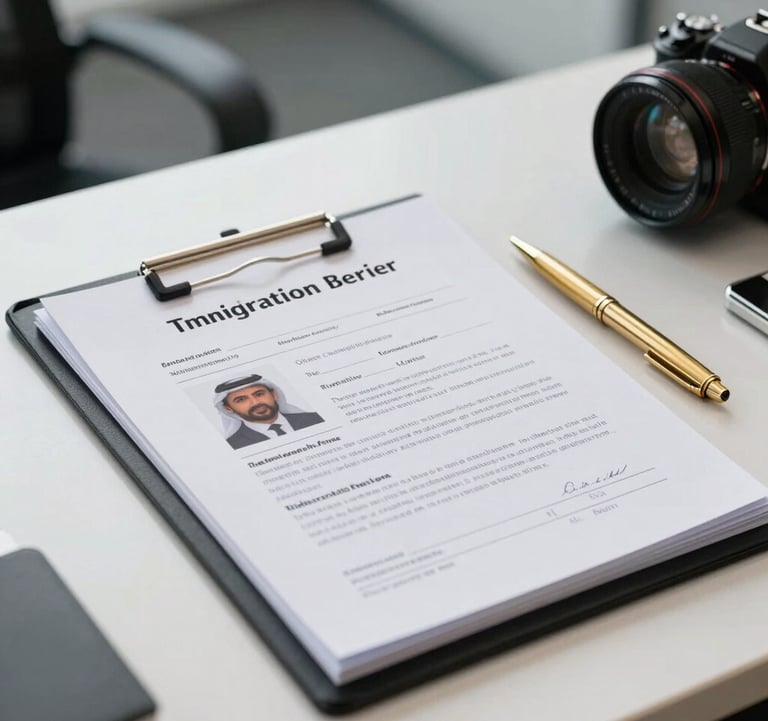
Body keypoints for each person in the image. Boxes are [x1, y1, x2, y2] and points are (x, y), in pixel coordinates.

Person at [214, 374, 323, 449]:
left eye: (259, 394)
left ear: (274, 395)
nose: (255, 402)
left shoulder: (315, 419)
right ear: (228, 409)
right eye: (241, 400)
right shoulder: (234, 444)